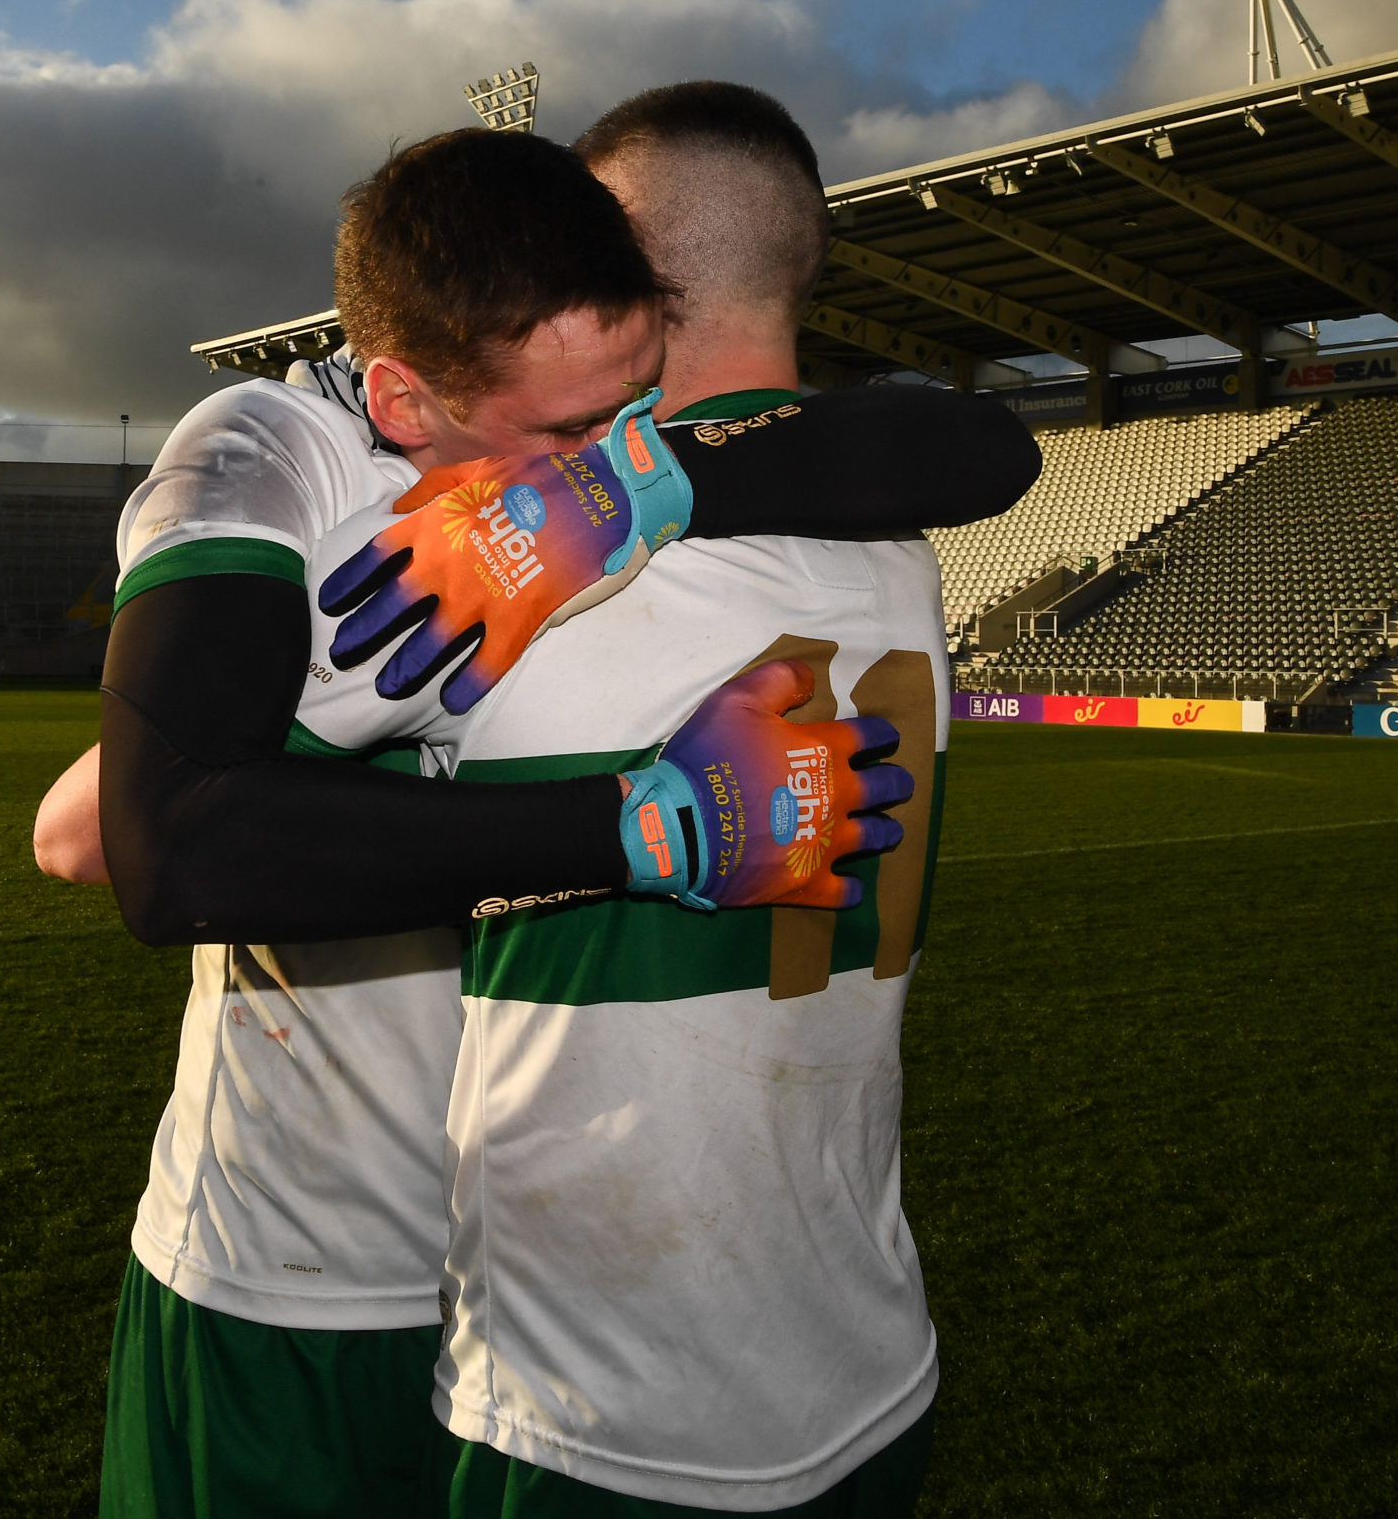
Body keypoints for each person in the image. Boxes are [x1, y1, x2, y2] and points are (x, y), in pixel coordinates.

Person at [39, 124, 1038, 1516]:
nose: (615, 442)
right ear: (411, 396)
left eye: (636, 406)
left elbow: (976, 440)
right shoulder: (282, 457)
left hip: (509, 1284)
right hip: (302, 1253)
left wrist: (631, 485)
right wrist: (630, 829)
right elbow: (115, 839)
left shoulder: (593, 490)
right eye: (580, 428)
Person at [306, 83, 954, 1514]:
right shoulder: (902, 552)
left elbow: (123, 822)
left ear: (625, 274)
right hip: (867, 1364)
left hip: (605, 1414)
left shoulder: (512, 567)